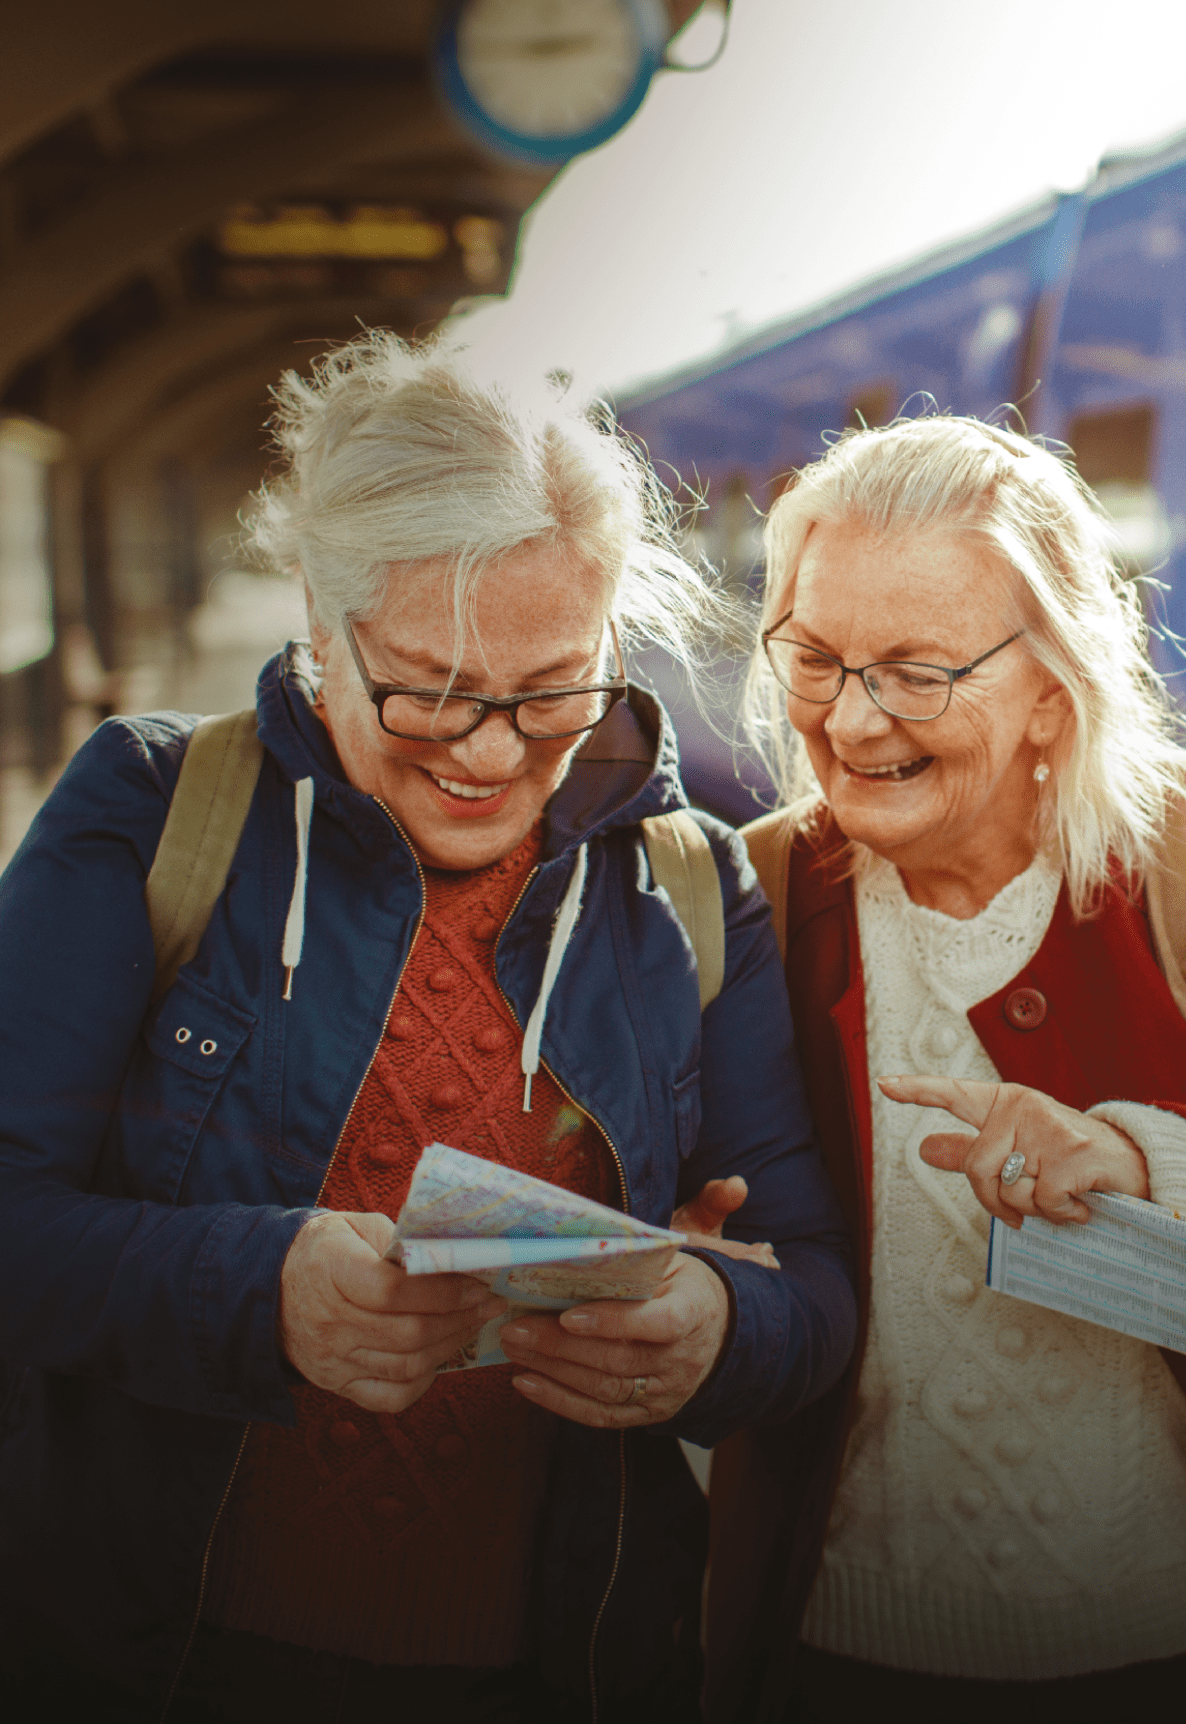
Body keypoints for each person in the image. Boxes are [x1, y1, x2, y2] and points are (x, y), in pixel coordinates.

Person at [0, 333, 855, 1724]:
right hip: (162, 1659)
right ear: (319, 627)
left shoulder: (688, 890)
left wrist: (717, 1322)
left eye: (551, 690)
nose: (491, 753)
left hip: (558, 1668)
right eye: (426, 688)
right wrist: (258, 1283)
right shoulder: (153, 815)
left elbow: (813, 1281)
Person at [705, 415, 1186, 1724]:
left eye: (916, 670)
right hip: (823, 1652)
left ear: (1054, 678)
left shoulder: (1174, 870)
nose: (849, 719)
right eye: (814, 656)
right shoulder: (740, 898)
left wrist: (1141, 1158)